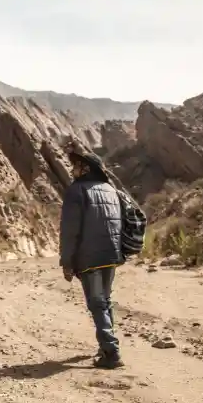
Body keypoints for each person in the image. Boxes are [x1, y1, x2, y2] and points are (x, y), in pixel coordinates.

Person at [59, 149, 125, 369]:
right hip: (111, 255)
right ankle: (105, 346)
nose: (73, 169)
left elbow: (70, 231)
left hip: (89, 258)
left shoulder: (76, 191)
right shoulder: (110, 190)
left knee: (97, 304)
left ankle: (111, 352)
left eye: (76, 165)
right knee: (105, 302)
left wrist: (67, 261)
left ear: (86, 169)